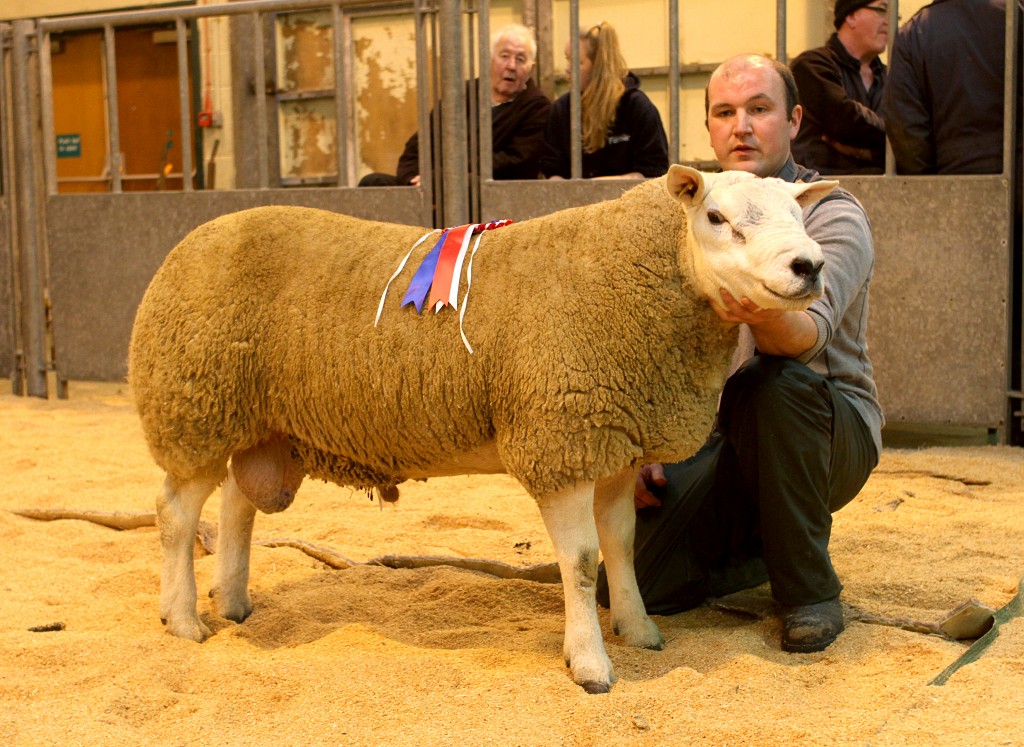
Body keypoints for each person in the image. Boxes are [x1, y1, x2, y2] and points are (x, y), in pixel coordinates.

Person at [596, 54, 883, 654]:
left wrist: (753, 305)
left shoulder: (829, 211)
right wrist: (643, 448)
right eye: (724, 112)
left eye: (759, 109)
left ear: (794, 120)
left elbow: (806, 336)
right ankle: (760, 546)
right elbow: (652, 347)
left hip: (826, 429)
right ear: (708, 128)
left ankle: (809, 593)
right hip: (717, 434)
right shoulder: (694, 212)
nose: (742, 127)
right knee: (630, 585)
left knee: (767, 383)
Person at [359, 24, 551, 186]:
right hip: (435, 185)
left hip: (486, 192)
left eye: (520, 59)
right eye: (504, 56)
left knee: (467, 186)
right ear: (490, 60)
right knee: (372, 182)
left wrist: (442, 179)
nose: (511, 65)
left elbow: (516, 162)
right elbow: (421, 144)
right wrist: (414, 180)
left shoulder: (537, 107)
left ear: (530, 68)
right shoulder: (461, 95)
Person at [882, 0, 1013, 175]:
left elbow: (905, 129)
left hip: (953, 176)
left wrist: (927, 184)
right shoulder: (1014, 16)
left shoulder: (914, 33)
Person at [539, 22, 668, 180]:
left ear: (598, 66)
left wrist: (598, 188)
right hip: (577, 203)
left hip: (628, 203)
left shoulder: (636, 107)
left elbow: (654, 170)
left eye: (576, 62)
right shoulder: (562, 110)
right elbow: (552, 168)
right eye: (567, 59)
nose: (567, 68)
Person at [789, 0, 888, 174]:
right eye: (881, 9)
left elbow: (909, 140)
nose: (888, 21)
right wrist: (891, 141)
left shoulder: (889, 76)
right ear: (850, 16)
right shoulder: (812, 66)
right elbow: (845, 119)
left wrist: (860, 151)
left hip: (882, 190)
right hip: (820, 189)